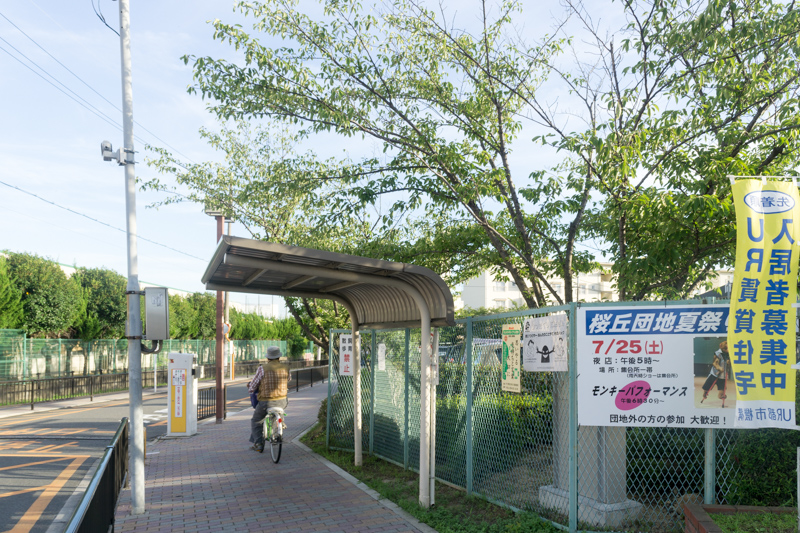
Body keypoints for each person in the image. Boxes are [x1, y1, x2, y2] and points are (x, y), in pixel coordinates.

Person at [249, 346, 290, 452]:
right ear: (279, 357)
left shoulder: (262, 368)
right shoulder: (286, 368)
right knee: (279, 411)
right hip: (282, 401)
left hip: (266, 402)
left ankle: (258, 443)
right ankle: (280, 423)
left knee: (256, 420)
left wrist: (251, 388)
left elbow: (253, 386)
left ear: (268, 358)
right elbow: (288, 379)